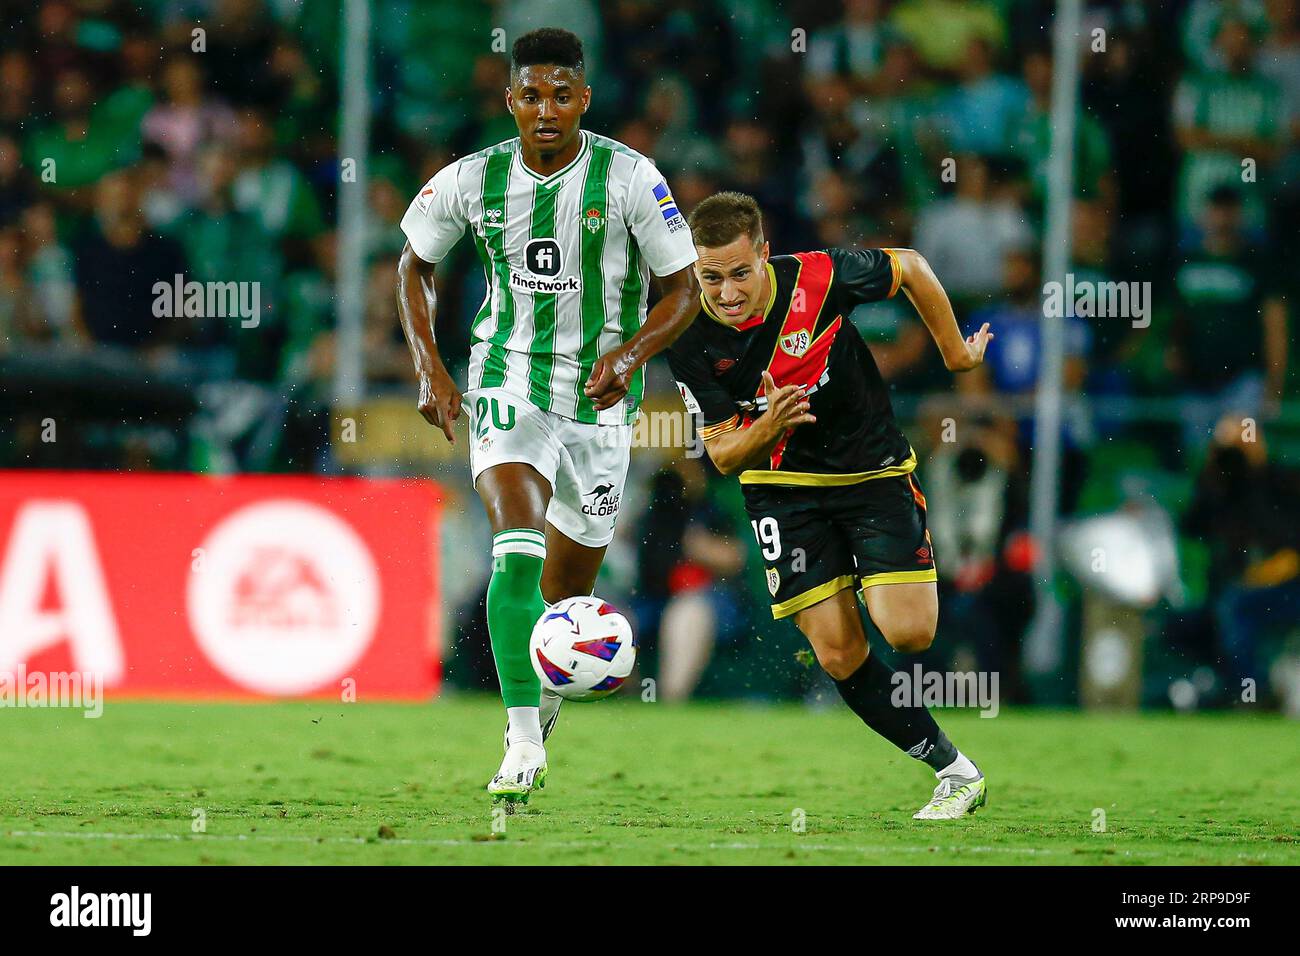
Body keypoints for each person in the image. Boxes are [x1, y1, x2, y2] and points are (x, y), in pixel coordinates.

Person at [395, 28, 699, 805]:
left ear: (584, 99)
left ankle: (538, 710)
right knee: (516, 551)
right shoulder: (472, 178)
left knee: (563, 600)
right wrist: (430, 363)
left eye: (562, 94)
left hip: (601, 402)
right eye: (531, 94)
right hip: (507, 379)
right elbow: (414, 266)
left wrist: (630, 355)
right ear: (511, 101)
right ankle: (524, 743)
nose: (546, 108)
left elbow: (686, 289)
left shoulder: (631, 178)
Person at [666, 192, 991, 819]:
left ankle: (880, 573)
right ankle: (953, 771)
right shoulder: (687, 333)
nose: (726, 291)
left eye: (739, 272)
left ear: (763, 253)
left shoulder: (817, 275)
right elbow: (726, 456)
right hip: (782, 489)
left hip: (869, 470)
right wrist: (770, 425)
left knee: (909, 631)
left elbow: (912, 267)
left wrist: (954, 354)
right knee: (839, 652)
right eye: (710, 276)